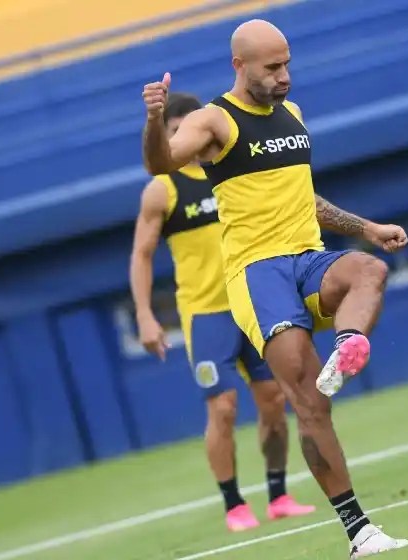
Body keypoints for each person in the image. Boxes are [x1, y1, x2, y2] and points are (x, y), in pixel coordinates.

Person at [140, 20, 408, 558]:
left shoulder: (293, 116)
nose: (284, 76)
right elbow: (160, 164)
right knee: (308, 402)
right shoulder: (212, 120)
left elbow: (304, 199)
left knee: (368, 270)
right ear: (239, 66)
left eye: (287, 64)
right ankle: (359, 531)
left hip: (308, 258)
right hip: (256, 275)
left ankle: (349, 344)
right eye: (272, 67)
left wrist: (366, 229)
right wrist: (154, 118)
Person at [130, 91, 316, 532]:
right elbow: (141, 254)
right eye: (174, 135)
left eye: (187, 131)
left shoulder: (231, 165)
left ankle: (278, 494)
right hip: (206, 314)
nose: (185, 142)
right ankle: (234, 504)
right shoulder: (164, 190)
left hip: (251, 300)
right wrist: (143, 314)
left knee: (273, 401)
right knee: (224, 408)